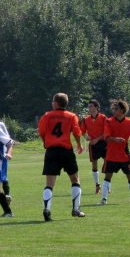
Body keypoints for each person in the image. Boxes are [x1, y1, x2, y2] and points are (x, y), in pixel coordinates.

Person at [38, 93, 85, 221]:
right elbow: (76, 132)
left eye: (53, 101)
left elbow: (41, 132)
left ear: (57, 103)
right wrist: (79, 145)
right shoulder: (71, 116)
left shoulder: (47, 116)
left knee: (49, 184)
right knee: (75, 180)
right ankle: (76, 209)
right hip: (66, 150)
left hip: (51, 151)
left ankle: (47, 209)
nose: (52, 103)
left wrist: (45, 142)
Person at [97, 100, 130, 205]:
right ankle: (104, 199)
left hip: (124, 155)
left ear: (122, 110)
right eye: (113, 108)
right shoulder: (109, 121)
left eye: (116, 109)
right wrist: (116, 139)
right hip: (111, 154)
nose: (114, 111)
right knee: (107, 176)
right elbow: (106, 137)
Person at [80, 99, 108, 195]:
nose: (90, 108)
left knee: (107, 163)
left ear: (96, 107)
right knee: (94, 165)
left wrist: (98, 138)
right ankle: (97, 185)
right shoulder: (86, 119)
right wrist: (85, 136)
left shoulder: (103, 118)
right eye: (89, 106)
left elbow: (106, 131)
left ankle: (107, 185)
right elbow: (82, 131)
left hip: (103, 143)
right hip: (93, 145)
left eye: (91, 106)